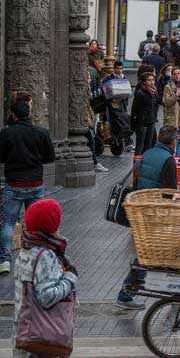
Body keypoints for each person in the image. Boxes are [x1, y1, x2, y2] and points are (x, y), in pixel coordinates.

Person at [115, 126, 179, 309]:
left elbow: (136, 183)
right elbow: (170, 192)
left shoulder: (147, 154)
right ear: (173, 141)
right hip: (157, 214)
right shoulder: (168, 161)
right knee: (151, 256)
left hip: (142, 211)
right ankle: (126, 295)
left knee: (151, 253)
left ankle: (175, 291)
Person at [12, 199, 77, 356]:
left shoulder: (26, 248)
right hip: (41, 338)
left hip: (24, 333)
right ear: (51, 225)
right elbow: (47, 296)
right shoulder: (45, 255)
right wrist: (69, 277)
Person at [0, 100, 56, 275]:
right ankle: (34, 259)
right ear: (30, 113)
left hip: (14, 183)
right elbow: (49, 157)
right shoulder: (41, 132)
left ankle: (5, 261)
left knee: (8, 222)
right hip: (35, 183)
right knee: (35, 223)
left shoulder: (6, 133)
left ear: (14, 115)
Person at [131, 73, 158, 155]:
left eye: (153, 80)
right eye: (149, 80)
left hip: (151, 121)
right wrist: (134, 122)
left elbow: (157, 103)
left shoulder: (154, 92)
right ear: (144, 82)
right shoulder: (140, 93)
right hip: (142, 122)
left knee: (149, 144)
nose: (152, 82)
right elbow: (134, 109)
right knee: (140, 144)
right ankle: (137, 164)